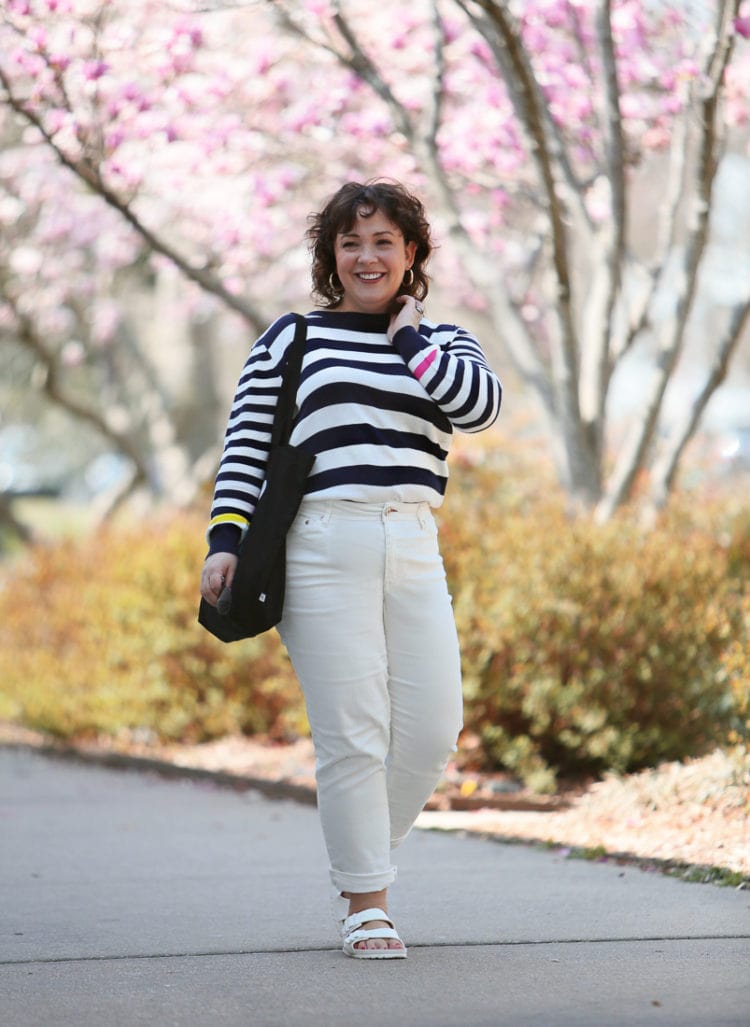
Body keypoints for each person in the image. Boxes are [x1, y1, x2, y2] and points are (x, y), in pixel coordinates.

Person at [200, 180, 502, 959]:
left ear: (412, 255)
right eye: (350, 243)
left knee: (434, 727)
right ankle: (368, 902)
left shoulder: (446, 343)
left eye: (384, 243)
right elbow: (246, 446)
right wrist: (224, 542)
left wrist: (409, 341)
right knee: (354, 733)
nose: (367, 257)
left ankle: (360, 847)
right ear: (331, 256)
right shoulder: (292, 337)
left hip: (413, 538)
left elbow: (478, 408)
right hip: (321, 541)